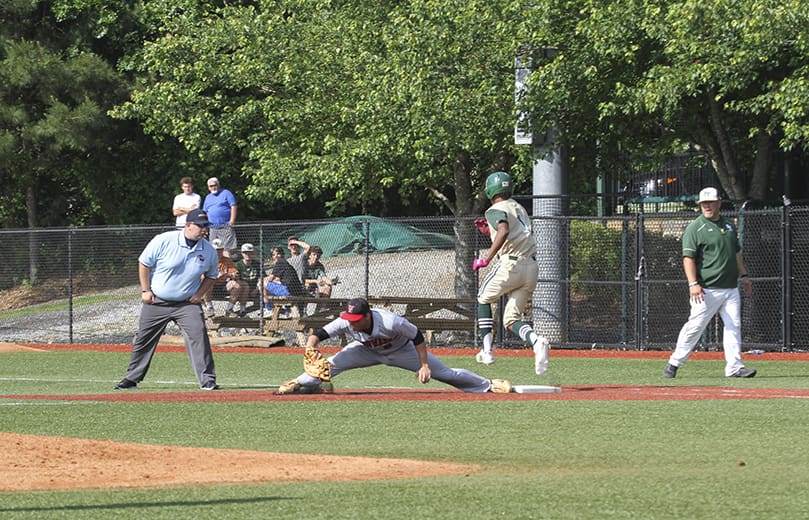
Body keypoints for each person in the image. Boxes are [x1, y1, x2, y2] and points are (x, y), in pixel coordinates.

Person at [277, 298, 513, 394]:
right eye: (350, 321)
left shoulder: (391, 322)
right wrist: (310, 348)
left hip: (402, 351)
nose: (352, 324)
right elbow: (318, 334)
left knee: (446, 374)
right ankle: (298, 384)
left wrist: (423, 365)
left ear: (368, 316)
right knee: (326, 367)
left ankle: (488, 385)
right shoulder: (346, 321)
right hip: (365, 351)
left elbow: (418, 337)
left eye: (356, 321)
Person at [114, 209, 219, 391]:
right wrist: (145, 290)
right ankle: (131, 379)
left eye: (207, 226)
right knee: (144, 339)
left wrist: (200, 294)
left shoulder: (208, 250)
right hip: (158, 301)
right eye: (201, 226)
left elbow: (211, 275)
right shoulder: (164, 240)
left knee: (199, 335)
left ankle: (207, 381)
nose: (205, 230)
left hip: (187, 304)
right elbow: (144, 263)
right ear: (188, 225)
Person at [663, 187, 756, 378]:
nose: (707, 206)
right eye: (703, 203)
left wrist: (744, 275)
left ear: (719, 203)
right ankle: (674, 362)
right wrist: (693, 283)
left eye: (710, 202)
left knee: (733, 326)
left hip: (730, 288)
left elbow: (736, 252)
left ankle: (734, 368)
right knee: (695, 327)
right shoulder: (695, 228)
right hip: (707, 290)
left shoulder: (729, 225)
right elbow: (688, 258)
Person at [472, 171, 549, 375]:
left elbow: (504, 230)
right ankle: (536, 341)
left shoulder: (494, 209)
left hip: (511, 264)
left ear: (490, 189)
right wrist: (490, 232)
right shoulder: (519, 207)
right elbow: (512, 231)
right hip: (531, 266)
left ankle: (487, 350)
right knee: (511, 320)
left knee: (482, 299)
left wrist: (486, 258)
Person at [261, 247, 306, 316]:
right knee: (274, 285)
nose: (276, 256)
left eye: (278, 254)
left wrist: (260, 281)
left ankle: (268, 309)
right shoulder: (286, 264)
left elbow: (270, 278)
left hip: (289, 292)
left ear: (282, 255)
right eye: (274, 255)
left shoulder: (280, 262)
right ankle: (287, 310)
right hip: (296, 292)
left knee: (262, 284)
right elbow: (278, 280)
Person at [201, 238, 238, 317]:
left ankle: (229, 309)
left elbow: (233, 272)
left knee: (236, 285)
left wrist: (232, 274)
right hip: (210, 286)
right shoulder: (206, 260)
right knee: (206, 282)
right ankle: (209, 307)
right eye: (216, 250)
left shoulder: (227, 260)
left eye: (220, 250)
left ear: (223, 250)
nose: (218, 252)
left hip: (223, 286)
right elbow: (201, 275)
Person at [202, 177, 238, 257]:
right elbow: (206, 211)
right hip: (213, 227)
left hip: (225, 226)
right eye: (211, 186)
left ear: (218, 185)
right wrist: (207, 226)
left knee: (227, 250)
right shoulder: (208, 197)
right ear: (208, 187)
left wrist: (232, 221)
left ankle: (228, 268)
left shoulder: (226, 193)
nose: (213, 187)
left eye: (214, 185)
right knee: (213, 249)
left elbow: (233, 206)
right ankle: (216, 268)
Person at [230, 242, 262, 316]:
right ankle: (242, 310)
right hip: (242, 290)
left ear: (253, 253)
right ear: (242, 253)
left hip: (254, 290)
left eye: (250, 253)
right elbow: (235, 278)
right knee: (243, 286)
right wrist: (234, 276)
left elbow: (262, 277)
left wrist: (257, 289)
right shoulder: (238, 264)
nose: (247, 255)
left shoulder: (257, 264)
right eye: (245, 253)